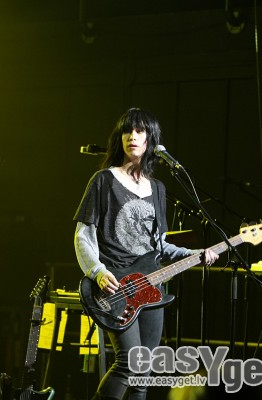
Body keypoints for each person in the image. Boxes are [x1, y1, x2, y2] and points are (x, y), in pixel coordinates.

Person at [73, 107, 219, 400]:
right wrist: (98, 272)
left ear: (151, 139)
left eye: (139, 131)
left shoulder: (158, 189)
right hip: (116, 285)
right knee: (128, 363)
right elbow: (82, 236)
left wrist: (196, 253)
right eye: (127, 131)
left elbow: (160, 246)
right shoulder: (103, 180)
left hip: (150, 286)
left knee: (143, 370)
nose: (132, 136)